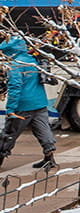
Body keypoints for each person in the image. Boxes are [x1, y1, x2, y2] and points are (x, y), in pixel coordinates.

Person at [0, 36, 57, 169]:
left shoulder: (15, 65)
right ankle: (49, 158)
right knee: (43, 131)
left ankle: (0, 157)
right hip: (40, 103)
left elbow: (15, 88)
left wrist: (10, 109)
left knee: (9, 134)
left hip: (22, 106)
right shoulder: (33, 61)